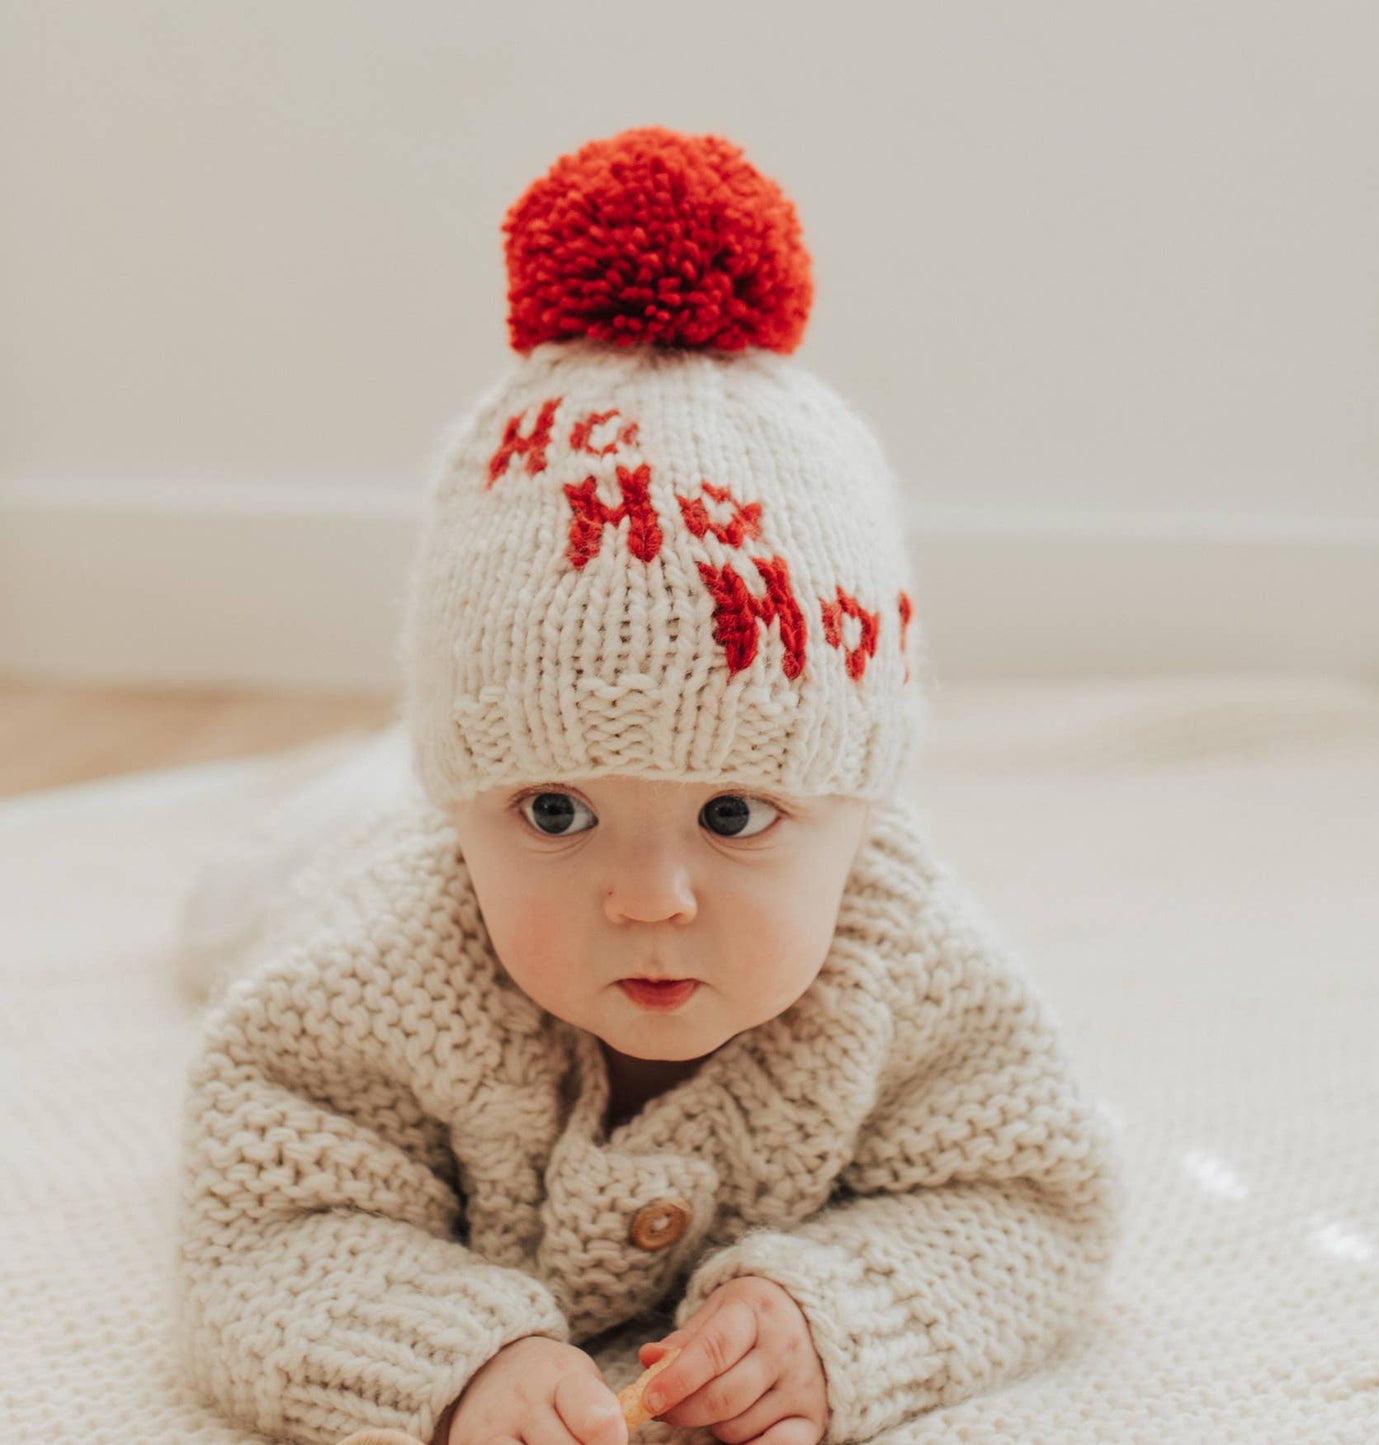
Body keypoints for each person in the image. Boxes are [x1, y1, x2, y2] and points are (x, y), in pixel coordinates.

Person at [171, 126, 1120, 1445]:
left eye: (735, 813)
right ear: (466, 805)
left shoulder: (907, 967)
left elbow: (1022, 1200)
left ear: (863, 807)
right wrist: (443, 1359)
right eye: (552, 809)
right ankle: (374, 783)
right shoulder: (369, 974)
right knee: (229, 909)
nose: (650, 895)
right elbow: (264, 1232)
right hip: (340, 853)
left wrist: (834, 1316)